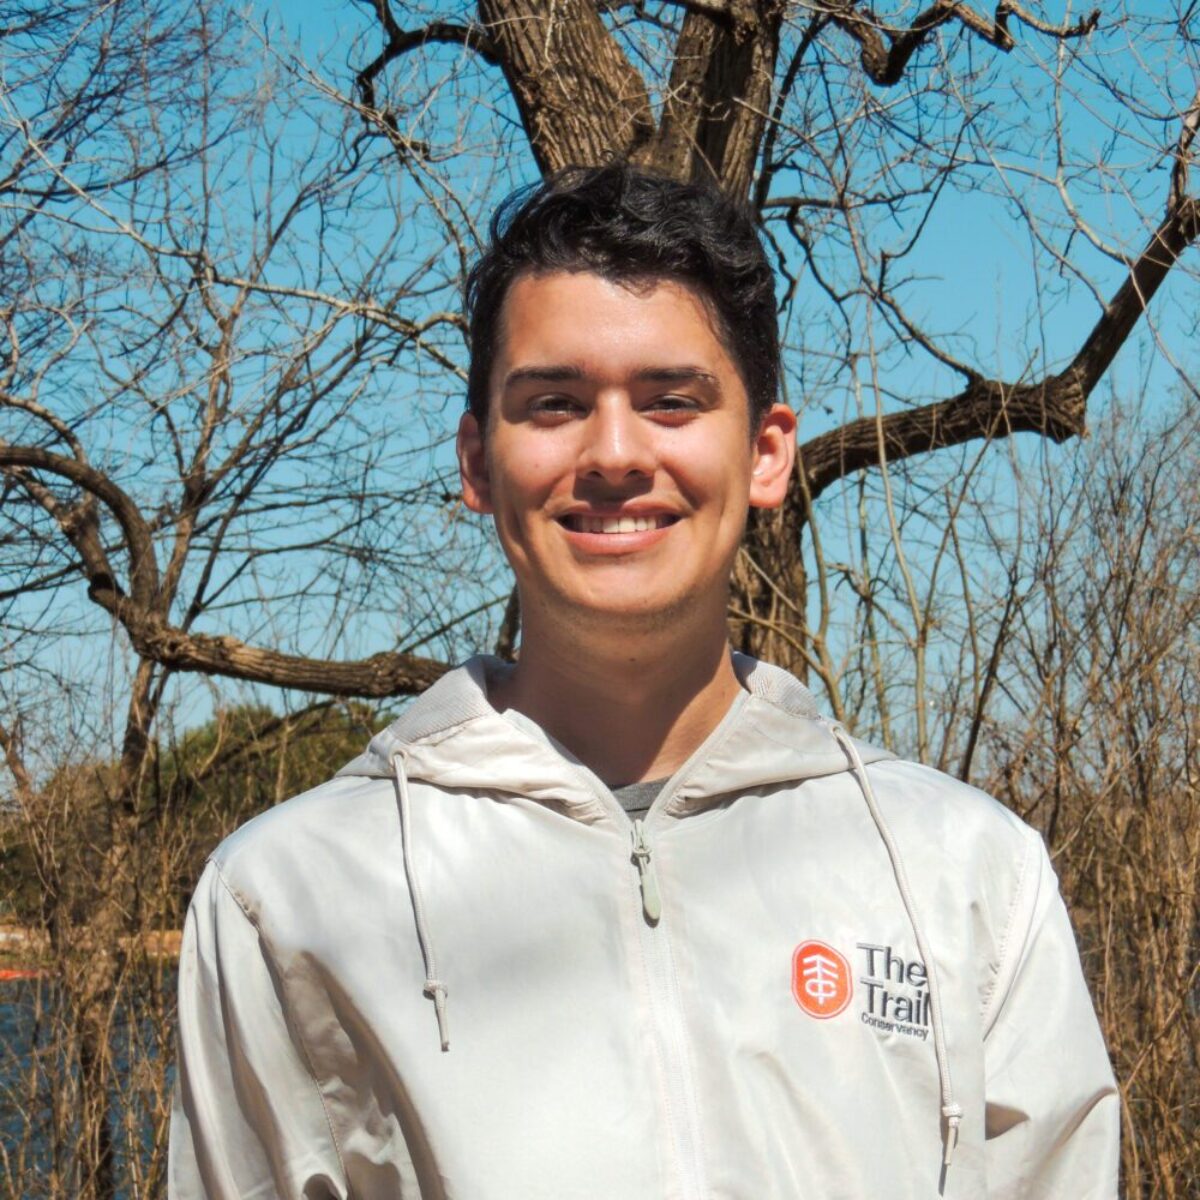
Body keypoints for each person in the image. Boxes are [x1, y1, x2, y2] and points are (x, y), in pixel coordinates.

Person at [169, 164, 1119, 1199]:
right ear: (478, 462)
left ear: (765, 455)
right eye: (555, 404)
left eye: (672, 401)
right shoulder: (291, 897)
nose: (615, 454)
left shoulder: (970, 875)